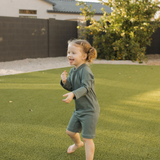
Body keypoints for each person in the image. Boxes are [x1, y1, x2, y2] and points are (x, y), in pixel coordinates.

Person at [60, 39, 100, 160]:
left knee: (87, 138)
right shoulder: (73, 70)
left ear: (84, 56)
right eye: (68, 52)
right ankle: (78, 144)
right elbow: (72, 87)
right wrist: (65, 82)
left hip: (90, 110)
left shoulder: (86, 70)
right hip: (79, 109)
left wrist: (73, 94)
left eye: (73, 53)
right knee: (70, 132)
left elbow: (86, 87)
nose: (69, 55)